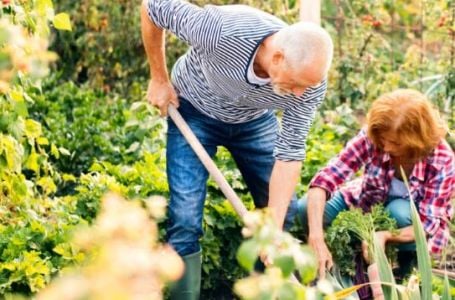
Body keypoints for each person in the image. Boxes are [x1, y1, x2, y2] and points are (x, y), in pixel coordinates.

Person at [140, 0, 333, 298]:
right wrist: (158, 77)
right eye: (295, 84)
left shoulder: (310, 83)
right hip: (193, 110)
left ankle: (258, 291)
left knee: (282, 212)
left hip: (254, 120)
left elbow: (289, 155)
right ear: (278, 58)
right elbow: (152, 6)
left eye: (305, 87)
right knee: (186, 219)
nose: (299, 94)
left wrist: (272, 234)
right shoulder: (221, 31)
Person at [297, 89, 455, 279]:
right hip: (366, 203)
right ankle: (336, 257)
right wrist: (316, 236)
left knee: (399, 212)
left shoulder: (442, 159)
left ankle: (405, 271)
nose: (386, 147)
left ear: (417, 139)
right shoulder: (374, 137)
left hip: (409, 226)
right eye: (383, 140)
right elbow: (324, 181)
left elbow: (427, 224)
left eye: (396, 143)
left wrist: (385, 235)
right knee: (306, 207)